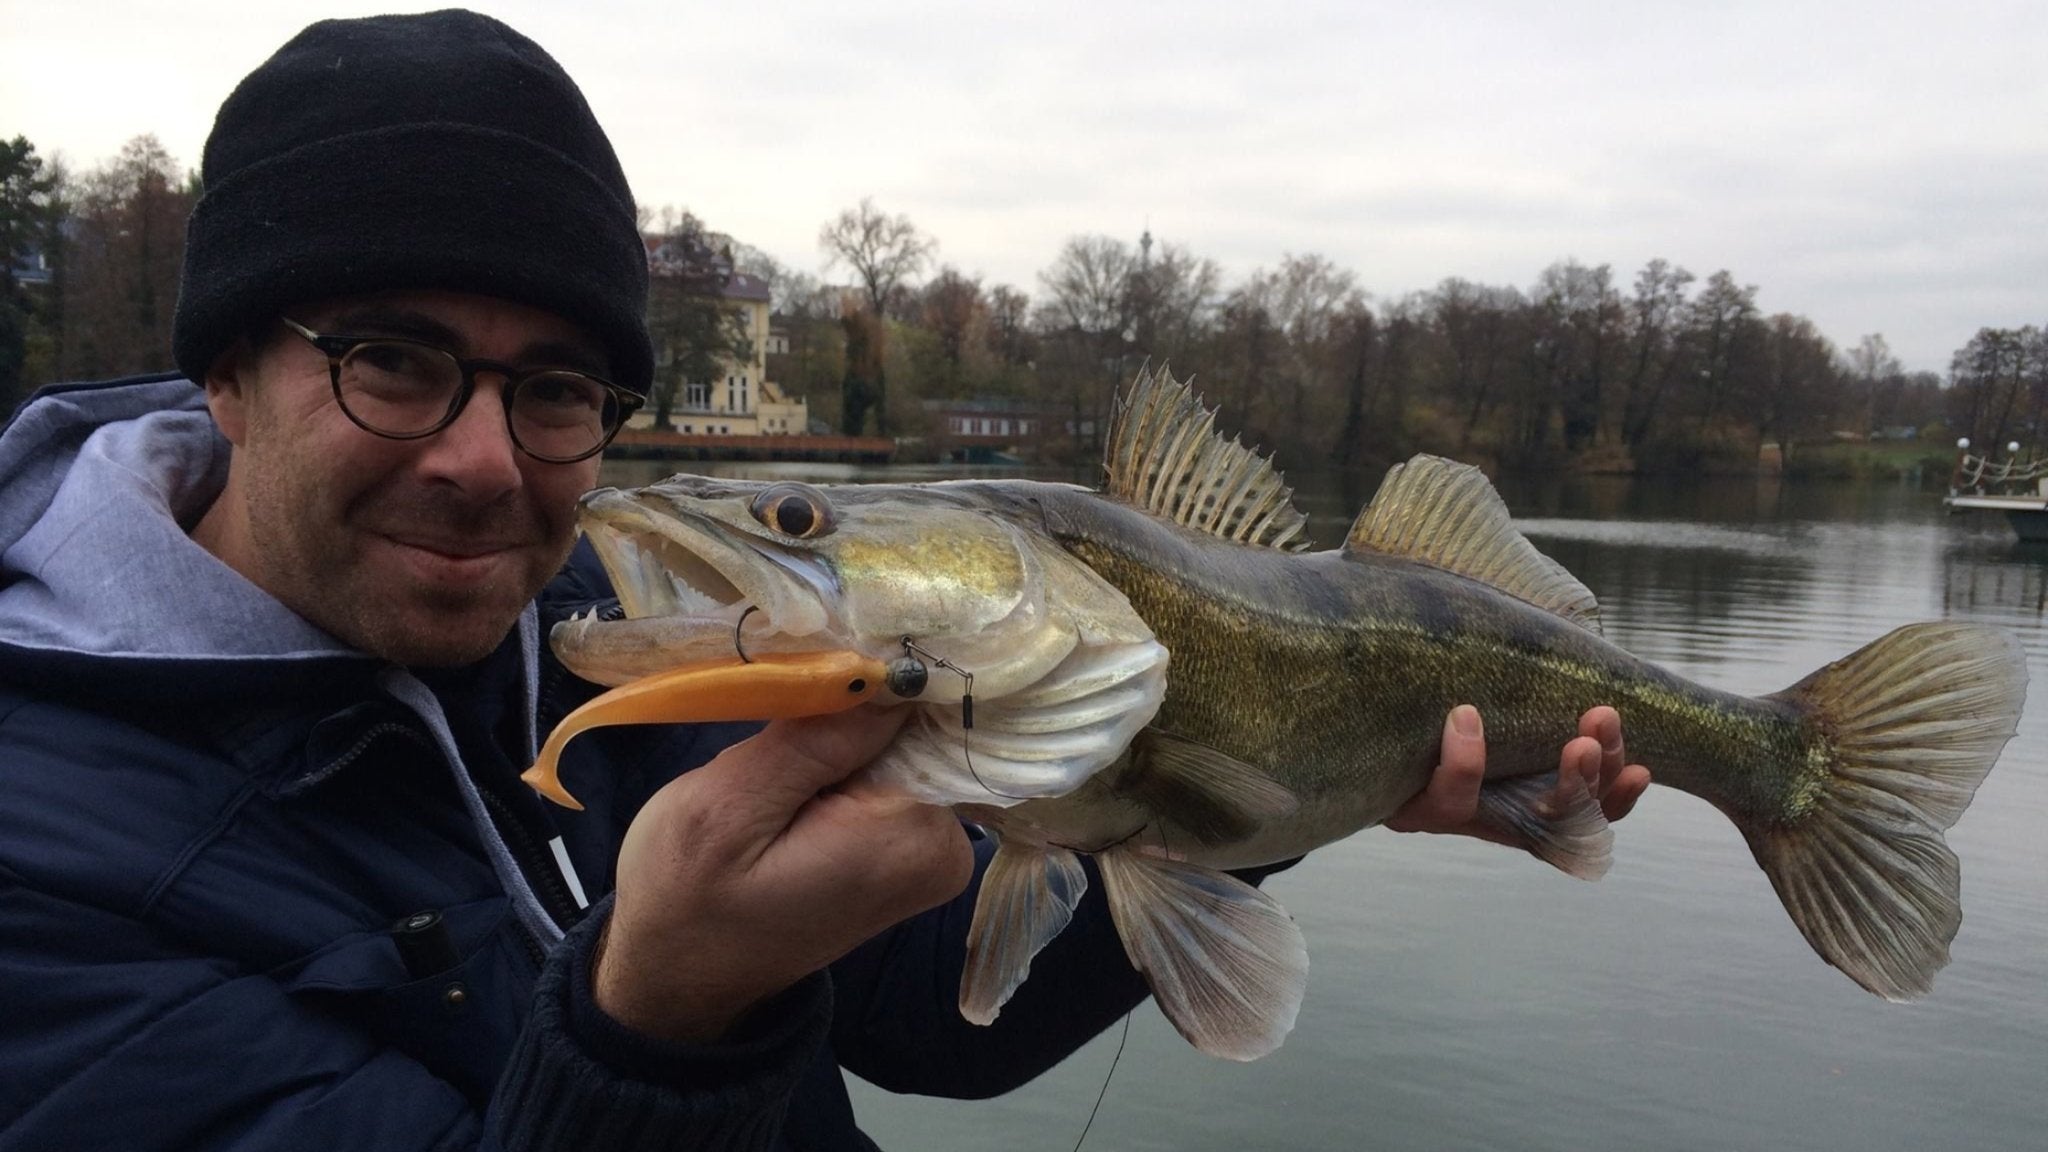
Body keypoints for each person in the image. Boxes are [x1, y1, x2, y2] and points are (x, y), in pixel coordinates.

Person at [0, 10, 1649, 1150]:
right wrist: (654, 1021)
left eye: (560, 390)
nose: (488, 461)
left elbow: (927, 1021)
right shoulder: (39, 860)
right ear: (221, 374)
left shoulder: (606, 643)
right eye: (392, 362)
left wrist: (1281, 805)